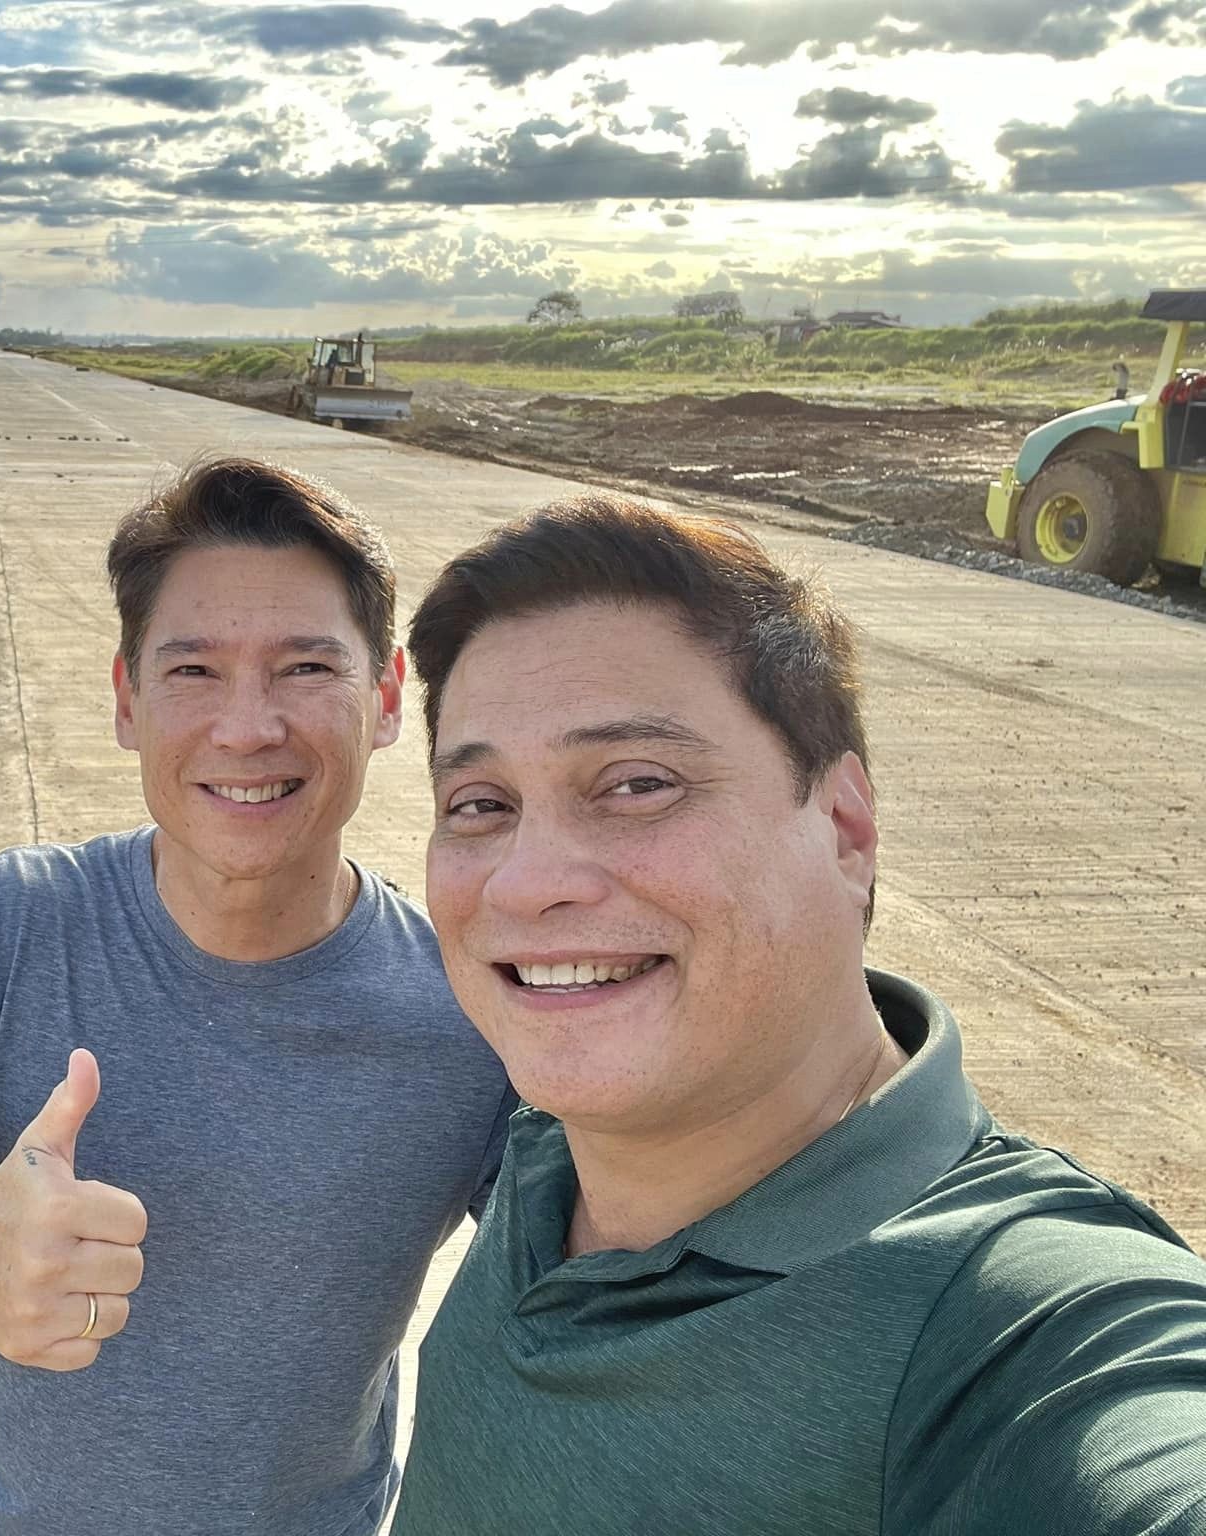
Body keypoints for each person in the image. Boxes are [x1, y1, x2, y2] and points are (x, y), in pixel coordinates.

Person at [390, 492, 1206, 1535]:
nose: (522, 882)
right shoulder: (550, 1150)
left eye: (636, 783)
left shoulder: (1018, 1328)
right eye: (480, 806)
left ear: (844, 830)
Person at [0, 456, 513, 1536]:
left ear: (387, 699)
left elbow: (605, 1312)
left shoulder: (465, 1014)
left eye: (305, 668)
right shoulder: (15, 926)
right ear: (125, 699)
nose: (246, 728)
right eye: (193, 671)